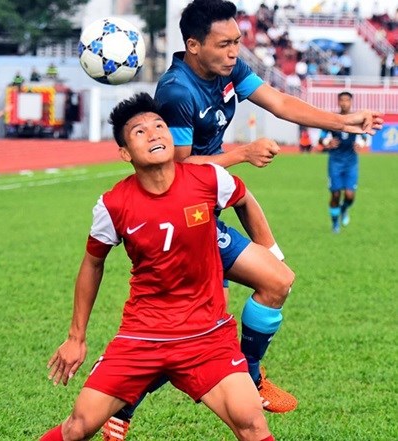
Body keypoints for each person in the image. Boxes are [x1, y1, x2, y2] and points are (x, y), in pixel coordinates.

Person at [102, 1, 383, 438]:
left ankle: (129, 403)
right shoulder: (177, 93)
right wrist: (242, 154)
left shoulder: (225, 72)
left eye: (237, 41)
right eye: (225, 43)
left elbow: (281, 103)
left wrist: (343, 122)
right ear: (193, 45)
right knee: (230, 311)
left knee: (230, 312)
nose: (235, 51)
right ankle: (221, 382)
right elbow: (175, 169)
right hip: (181, 222)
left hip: (206, 209)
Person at [39, 92, 278, 441]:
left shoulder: (210, 180)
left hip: (206, 337)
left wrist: (269, 251)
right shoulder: (112, 205)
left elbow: (243, 200)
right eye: (139, 131)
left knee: (252, 422)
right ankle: (120, 408)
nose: (153, 134)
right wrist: (76, 337)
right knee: (78, 427)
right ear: (124, 152)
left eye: (159, 125)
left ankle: (126, 410)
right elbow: (93, 263)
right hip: (142, 336)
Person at [318, 92, 367, 233]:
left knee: (350, 196)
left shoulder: (356, 120)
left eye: (347, 100)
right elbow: (321, 138)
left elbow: (364, 137)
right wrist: (327, 142)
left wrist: (361, 144)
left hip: (351, 161)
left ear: (351, 102)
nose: (344, 103)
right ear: (338, 102)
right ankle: (335, 224)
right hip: (335, 161)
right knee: (335, 195)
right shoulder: (333, 120)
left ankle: (344, 208)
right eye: (342, 100)